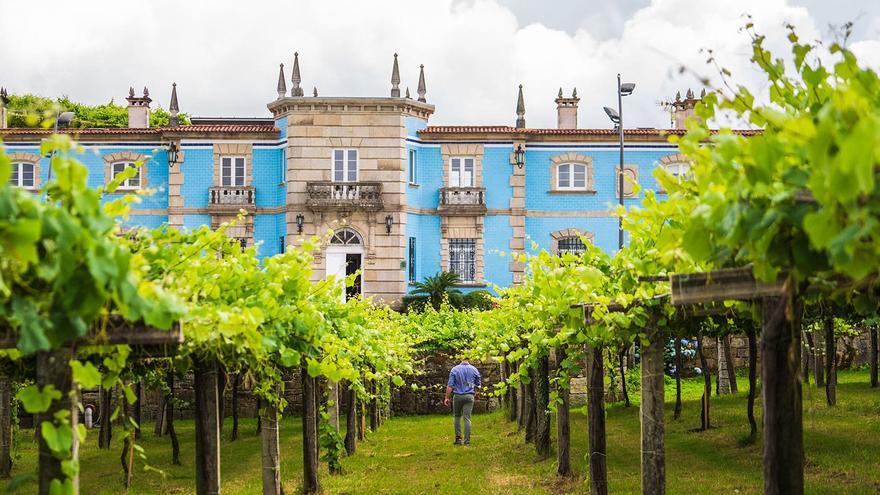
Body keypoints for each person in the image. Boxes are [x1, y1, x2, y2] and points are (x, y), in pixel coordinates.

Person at [443, 357, 481, 445]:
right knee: (467, 418)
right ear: (469, 359)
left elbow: (450, 386)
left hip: (458, 396)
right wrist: (477, 394)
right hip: (469, 396)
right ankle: (467, 441)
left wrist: (446, 398)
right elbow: (478, 385)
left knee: (457, 417)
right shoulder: (474, 369)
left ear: (461, 358)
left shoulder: (455, 369)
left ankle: (458, 439)